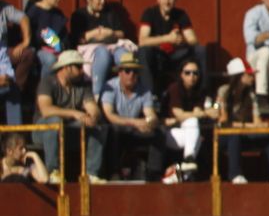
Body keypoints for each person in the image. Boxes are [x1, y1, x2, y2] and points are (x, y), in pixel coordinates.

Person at [32, 50, 106, 181]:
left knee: (97, 127)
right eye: (78, 66)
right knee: (55, 121)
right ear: (67, 67)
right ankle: (53, 172)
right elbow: (45, 110)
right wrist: (74, 113)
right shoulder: (47, 82)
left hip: (68, 132)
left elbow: (93, 108)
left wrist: (93, 117)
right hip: (42, 131)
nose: (82, 70)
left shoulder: (82, 85)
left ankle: (91, 174)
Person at [216, 57, 269, 186]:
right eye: (249, 74)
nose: (252, 77)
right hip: (225, 136)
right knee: (234, 135)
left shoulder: (250, 95)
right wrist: (247, 125)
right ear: (239, 76)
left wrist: (256, 126)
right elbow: (225, 122)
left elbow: (258, 122)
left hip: (244, 133)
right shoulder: (224, 92)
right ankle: (235, 175)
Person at [99, 52, 165, 181]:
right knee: (114, 130)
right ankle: (114, 173)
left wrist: (150, 123)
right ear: (120, 72)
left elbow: (150, 113)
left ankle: (154, 173)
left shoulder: (144, 89)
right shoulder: (110, 87)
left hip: (135, 130)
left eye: (135, 71)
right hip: (115, 130)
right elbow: (110, 115)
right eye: (128, 71)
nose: (131, 75)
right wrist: (136, 123)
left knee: (159, 132)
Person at [70, 0, 137, 98]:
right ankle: (97, 95)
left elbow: (121, 33)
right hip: (93, 49)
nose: (102, 1)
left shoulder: (110, 13)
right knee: (102, 53)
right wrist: (94, 33)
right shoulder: (79, 15)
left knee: (124, 56)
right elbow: (77, 38)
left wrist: (110, 33)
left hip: (113, 44)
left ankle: (130, 92)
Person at [136, 0, 200, 93]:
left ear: (175, 0)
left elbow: (193, 40)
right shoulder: (150, 13)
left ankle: (202, 93)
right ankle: (149, 96)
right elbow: (142, 41)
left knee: (200, 50)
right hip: (157, 54)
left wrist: (180, 40)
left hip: (175, 54)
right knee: (144, 51)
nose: (167, 2)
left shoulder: (181, 14)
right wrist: (167, 38)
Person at [159, 58, 215, 181]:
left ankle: (182, 173)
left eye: (195, 73)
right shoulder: (174, 88)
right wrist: (204, 113)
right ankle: (187, 163)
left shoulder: (200, 91)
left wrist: (199, 113)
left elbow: (198, 112)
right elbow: (179, 114)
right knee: (193, 125)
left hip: (189, 135)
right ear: (181, 74)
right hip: (170, 133)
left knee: (196, 133)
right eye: (188, 73)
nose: (192, 76)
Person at [25, 0, 69, 85]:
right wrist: (47, 40)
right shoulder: (32, 13)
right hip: (38, 50)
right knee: (50, 60)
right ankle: (44, 91)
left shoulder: (58, 14)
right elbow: (29, 38)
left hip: (58, 49)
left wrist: (61, 45)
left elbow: (65, 37)